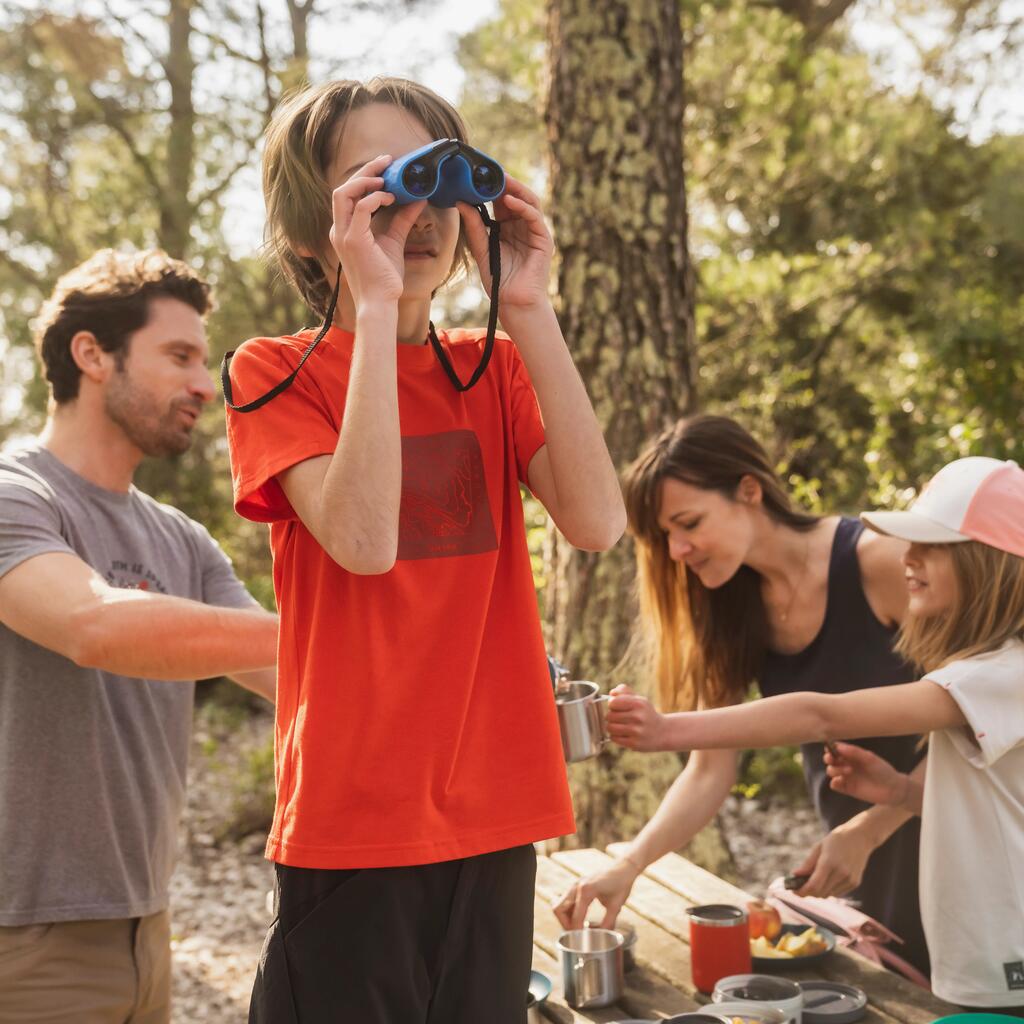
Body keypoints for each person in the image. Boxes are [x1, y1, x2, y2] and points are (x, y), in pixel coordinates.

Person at [222, 76, 625, 1023]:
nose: (424, 213)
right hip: (355, 820)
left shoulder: (495, 365)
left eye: (442, 182)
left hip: (498, 803)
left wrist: (527, 305)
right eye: (385, 185)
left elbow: (598, 524)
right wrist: (370, 310)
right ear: (311, 225)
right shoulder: (271, 370)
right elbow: (362, 542)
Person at [608, 454, 1024, 1013]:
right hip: (977, 951)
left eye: (933, 546)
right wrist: (899, 790)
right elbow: (991, 799)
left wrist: (664, 729)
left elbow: (819, 715)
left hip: (1005, 952)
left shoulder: (1002, 675)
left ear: (989, 564)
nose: (911, 557)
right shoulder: (985, 674)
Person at [0, 249, 279, 1023]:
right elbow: (93, 625)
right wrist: (324, 640)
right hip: (24, 939)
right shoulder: (15, 497)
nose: (203, 383)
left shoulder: (183, 541)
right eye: (180, 356)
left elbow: (290, 673)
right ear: (92, 355)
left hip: (148, 929)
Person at [554, 414, 930, 976]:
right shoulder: (729, 607)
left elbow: (977, 729)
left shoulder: (880, 561)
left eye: (688, 523)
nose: (677, 549)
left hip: (951, 834)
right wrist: (630, 864)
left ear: (749, 491)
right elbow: (709, 772)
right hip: (858, 866)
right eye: (665, 537)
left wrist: (869, 829)